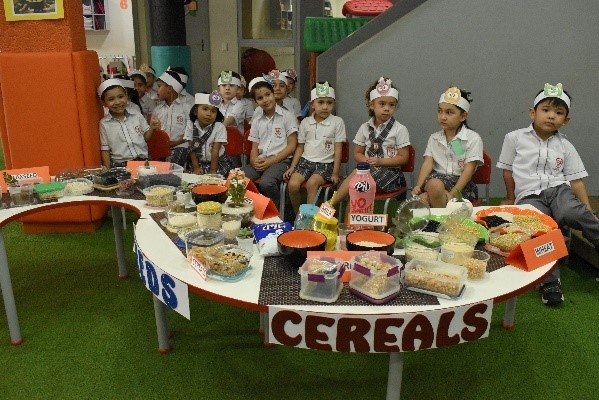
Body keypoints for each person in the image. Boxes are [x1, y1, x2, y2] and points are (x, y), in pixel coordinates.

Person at [497, 83, 599, 306]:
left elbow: (576, 180)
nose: (551, 116)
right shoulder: (514, 138)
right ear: (532, 113)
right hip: (529, 195)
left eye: (559, 113)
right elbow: (508, 171)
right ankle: (550, 281)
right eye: (546, 110)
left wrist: (587, 209)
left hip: (559, 190)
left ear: (566, 120)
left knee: (572, 212)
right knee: (539, 227)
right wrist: (511, 197)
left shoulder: (565, 146)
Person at [329, 77, 411, 211]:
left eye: (391, 105)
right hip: (367, 171)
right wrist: (367, 162)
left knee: (357, 182)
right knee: (356, 188)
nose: (387, 109)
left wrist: (380, 162)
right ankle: (346, 221)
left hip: (390, 176)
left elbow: (404, 157)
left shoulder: (400, 129)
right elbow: (357, 153)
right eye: (382, 104)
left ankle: (330, 204)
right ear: (372, 105)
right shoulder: (364, 128)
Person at [412, 87, 483, 207]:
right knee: (427, 192)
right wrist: (418, 186)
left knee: (428, 194)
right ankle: (445, 214)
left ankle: (442, 216)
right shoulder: (434, 138)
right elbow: (428, 163)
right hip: (436, 182)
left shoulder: (473, 138)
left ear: (463, 116)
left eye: (449, 113)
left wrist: (452, 194)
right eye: (440, 111)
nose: (442, 117)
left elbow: (469, 170)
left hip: (460, 185)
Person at [283, 82, 346, 214]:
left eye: (329, 103)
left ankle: (309, 219)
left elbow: (338, 148)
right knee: (293, 185)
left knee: (312, 183)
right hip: (305, 162)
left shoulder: (337, 122)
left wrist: (335, 172)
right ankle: (298, 215)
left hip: (325, 164)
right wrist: (293, 167)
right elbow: (300, 147)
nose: (325, 107)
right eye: (320, 102)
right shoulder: (305, 122)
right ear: (312, 104)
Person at [243, 75, 298, 210]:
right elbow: (254, 146)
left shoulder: (287, 116)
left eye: (268, 95)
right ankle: (254, 207)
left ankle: (281, 209)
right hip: (262, 160)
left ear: (273, 94)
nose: (265, 100)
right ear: (256, 102)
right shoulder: (257, 120)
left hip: (281, 161)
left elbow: (292, 145)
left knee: (267, 183)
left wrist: (271, 161)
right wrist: (254, 160)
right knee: (237, 179)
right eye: (260, 98)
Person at [98, 78, 159, 168]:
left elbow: (146, 138)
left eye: (121, 97)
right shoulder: (104, 124)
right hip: (121, 166)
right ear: (104, 103)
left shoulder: (136, 115)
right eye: (111, 99)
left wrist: (152, 127)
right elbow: (105, 149)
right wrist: (108, 170)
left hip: (143, 162)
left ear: (126, 96)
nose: (117, 102)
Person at [184, 91, 232, 177]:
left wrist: (213, 171)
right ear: (195, 111)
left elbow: (215, 150)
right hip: (198, 162)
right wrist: (196, 168)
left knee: (216, 178)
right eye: (205, 109)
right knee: (192, 177)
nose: (209, 114)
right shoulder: (190, 125)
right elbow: (192, 149)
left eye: (213, 111)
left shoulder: (219, 127)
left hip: (217, 162)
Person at [152, 70, 191, 166]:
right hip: (162, 149)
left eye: (159, 86)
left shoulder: (186, 107)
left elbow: (191, 131)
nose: (157, 90)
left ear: (169, 88)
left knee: (176, 159)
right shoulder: (157, 110)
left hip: (181, 147)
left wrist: (176, 142)